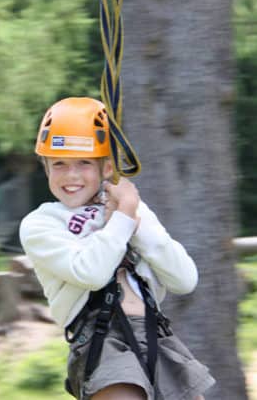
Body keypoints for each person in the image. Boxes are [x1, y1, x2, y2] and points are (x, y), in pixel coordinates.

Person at [19, 97, 215, 400]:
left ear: (107, 167)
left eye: (84, 163)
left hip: (155, 333)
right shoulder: (41, 224)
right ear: (45, 167)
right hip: (102, 338)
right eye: (59, 164)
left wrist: (134, 219)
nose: (71, 176)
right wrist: (121, 220)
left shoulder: (130, 209)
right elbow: (91, 273)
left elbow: (185, 279)